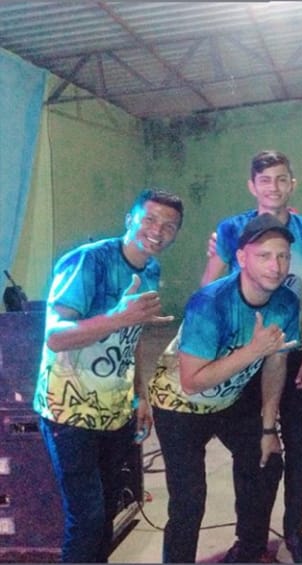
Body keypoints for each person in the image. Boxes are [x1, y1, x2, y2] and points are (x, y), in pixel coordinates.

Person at [34, 188, 184, 562]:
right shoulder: (88, 261)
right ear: (129, 219)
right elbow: (55, 336)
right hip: (69, 411)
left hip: (115, 411)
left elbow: (132, 337)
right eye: (150, 219)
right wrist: (119, 316)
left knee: (105, 515)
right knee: (86, 519)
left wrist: (140, 395)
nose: (158, 230)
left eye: (169, 226)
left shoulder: (150, 269)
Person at [200, 150, 302, 563]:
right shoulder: (232, 229)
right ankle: (248, 538)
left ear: (293, 183)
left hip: (291, 350)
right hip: (243, 353)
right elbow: (209, 286)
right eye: (265, 180)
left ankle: (295, 532)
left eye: (281, 179)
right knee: (249, 447)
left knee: (297, 441)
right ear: (252, 186)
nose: (274, 187)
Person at [149, 213, 300, 563]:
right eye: (264, 256)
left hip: (230, 400)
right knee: (188, 499)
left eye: (283, 256)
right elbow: (191, 381)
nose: (276, 266)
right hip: (178, 406)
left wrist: (268, 429)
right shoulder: (210, 302)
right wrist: (253, 351)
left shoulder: (286, 302)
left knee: (265, 463)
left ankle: (248, 551)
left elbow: (276, 364)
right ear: (242, 258)